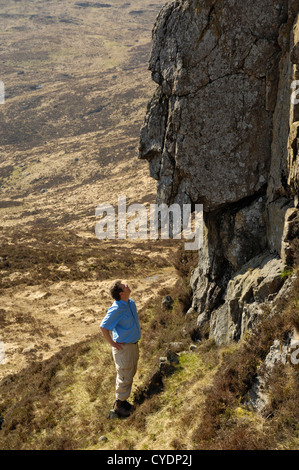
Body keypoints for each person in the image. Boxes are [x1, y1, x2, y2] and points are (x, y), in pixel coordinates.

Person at [100, 280, 141, 417]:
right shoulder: (116, 308)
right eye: (124, 286)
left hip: (133, 346)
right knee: (124, 375)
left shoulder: (131, 303)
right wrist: (113, 343)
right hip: (124, 348)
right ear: (121, 293)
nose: (127, 285)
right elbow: (103, 327)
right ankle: (119, 405)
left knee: (130, 372)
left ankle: (123, 401)